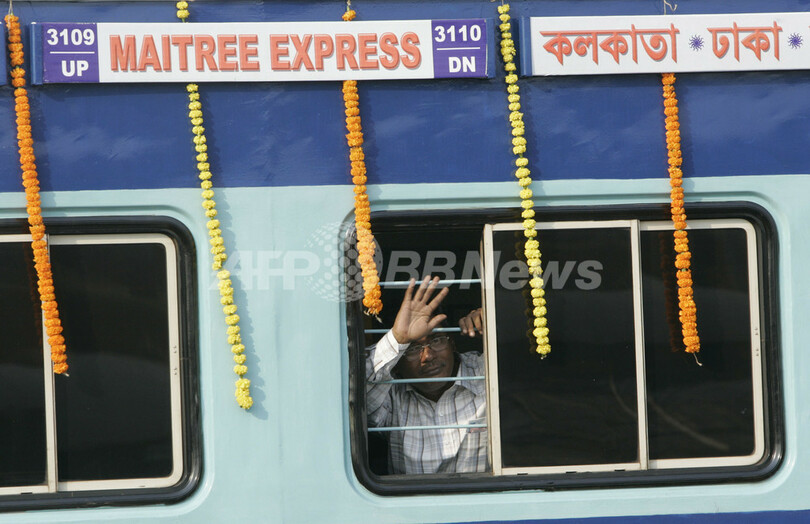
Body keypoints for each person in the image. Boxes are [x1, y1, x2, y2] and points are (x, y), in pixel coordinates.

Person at [365, 276, 488, 475]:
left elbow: (528, 367)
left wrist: (495, 322)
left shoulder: (485, 373)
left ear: (452, 343)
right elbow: (356, 388)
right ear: (397, 362)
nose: (428, 356)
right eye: (413, 349)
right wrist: (398, 339)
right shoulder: (390, 398)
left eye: (437, 340)